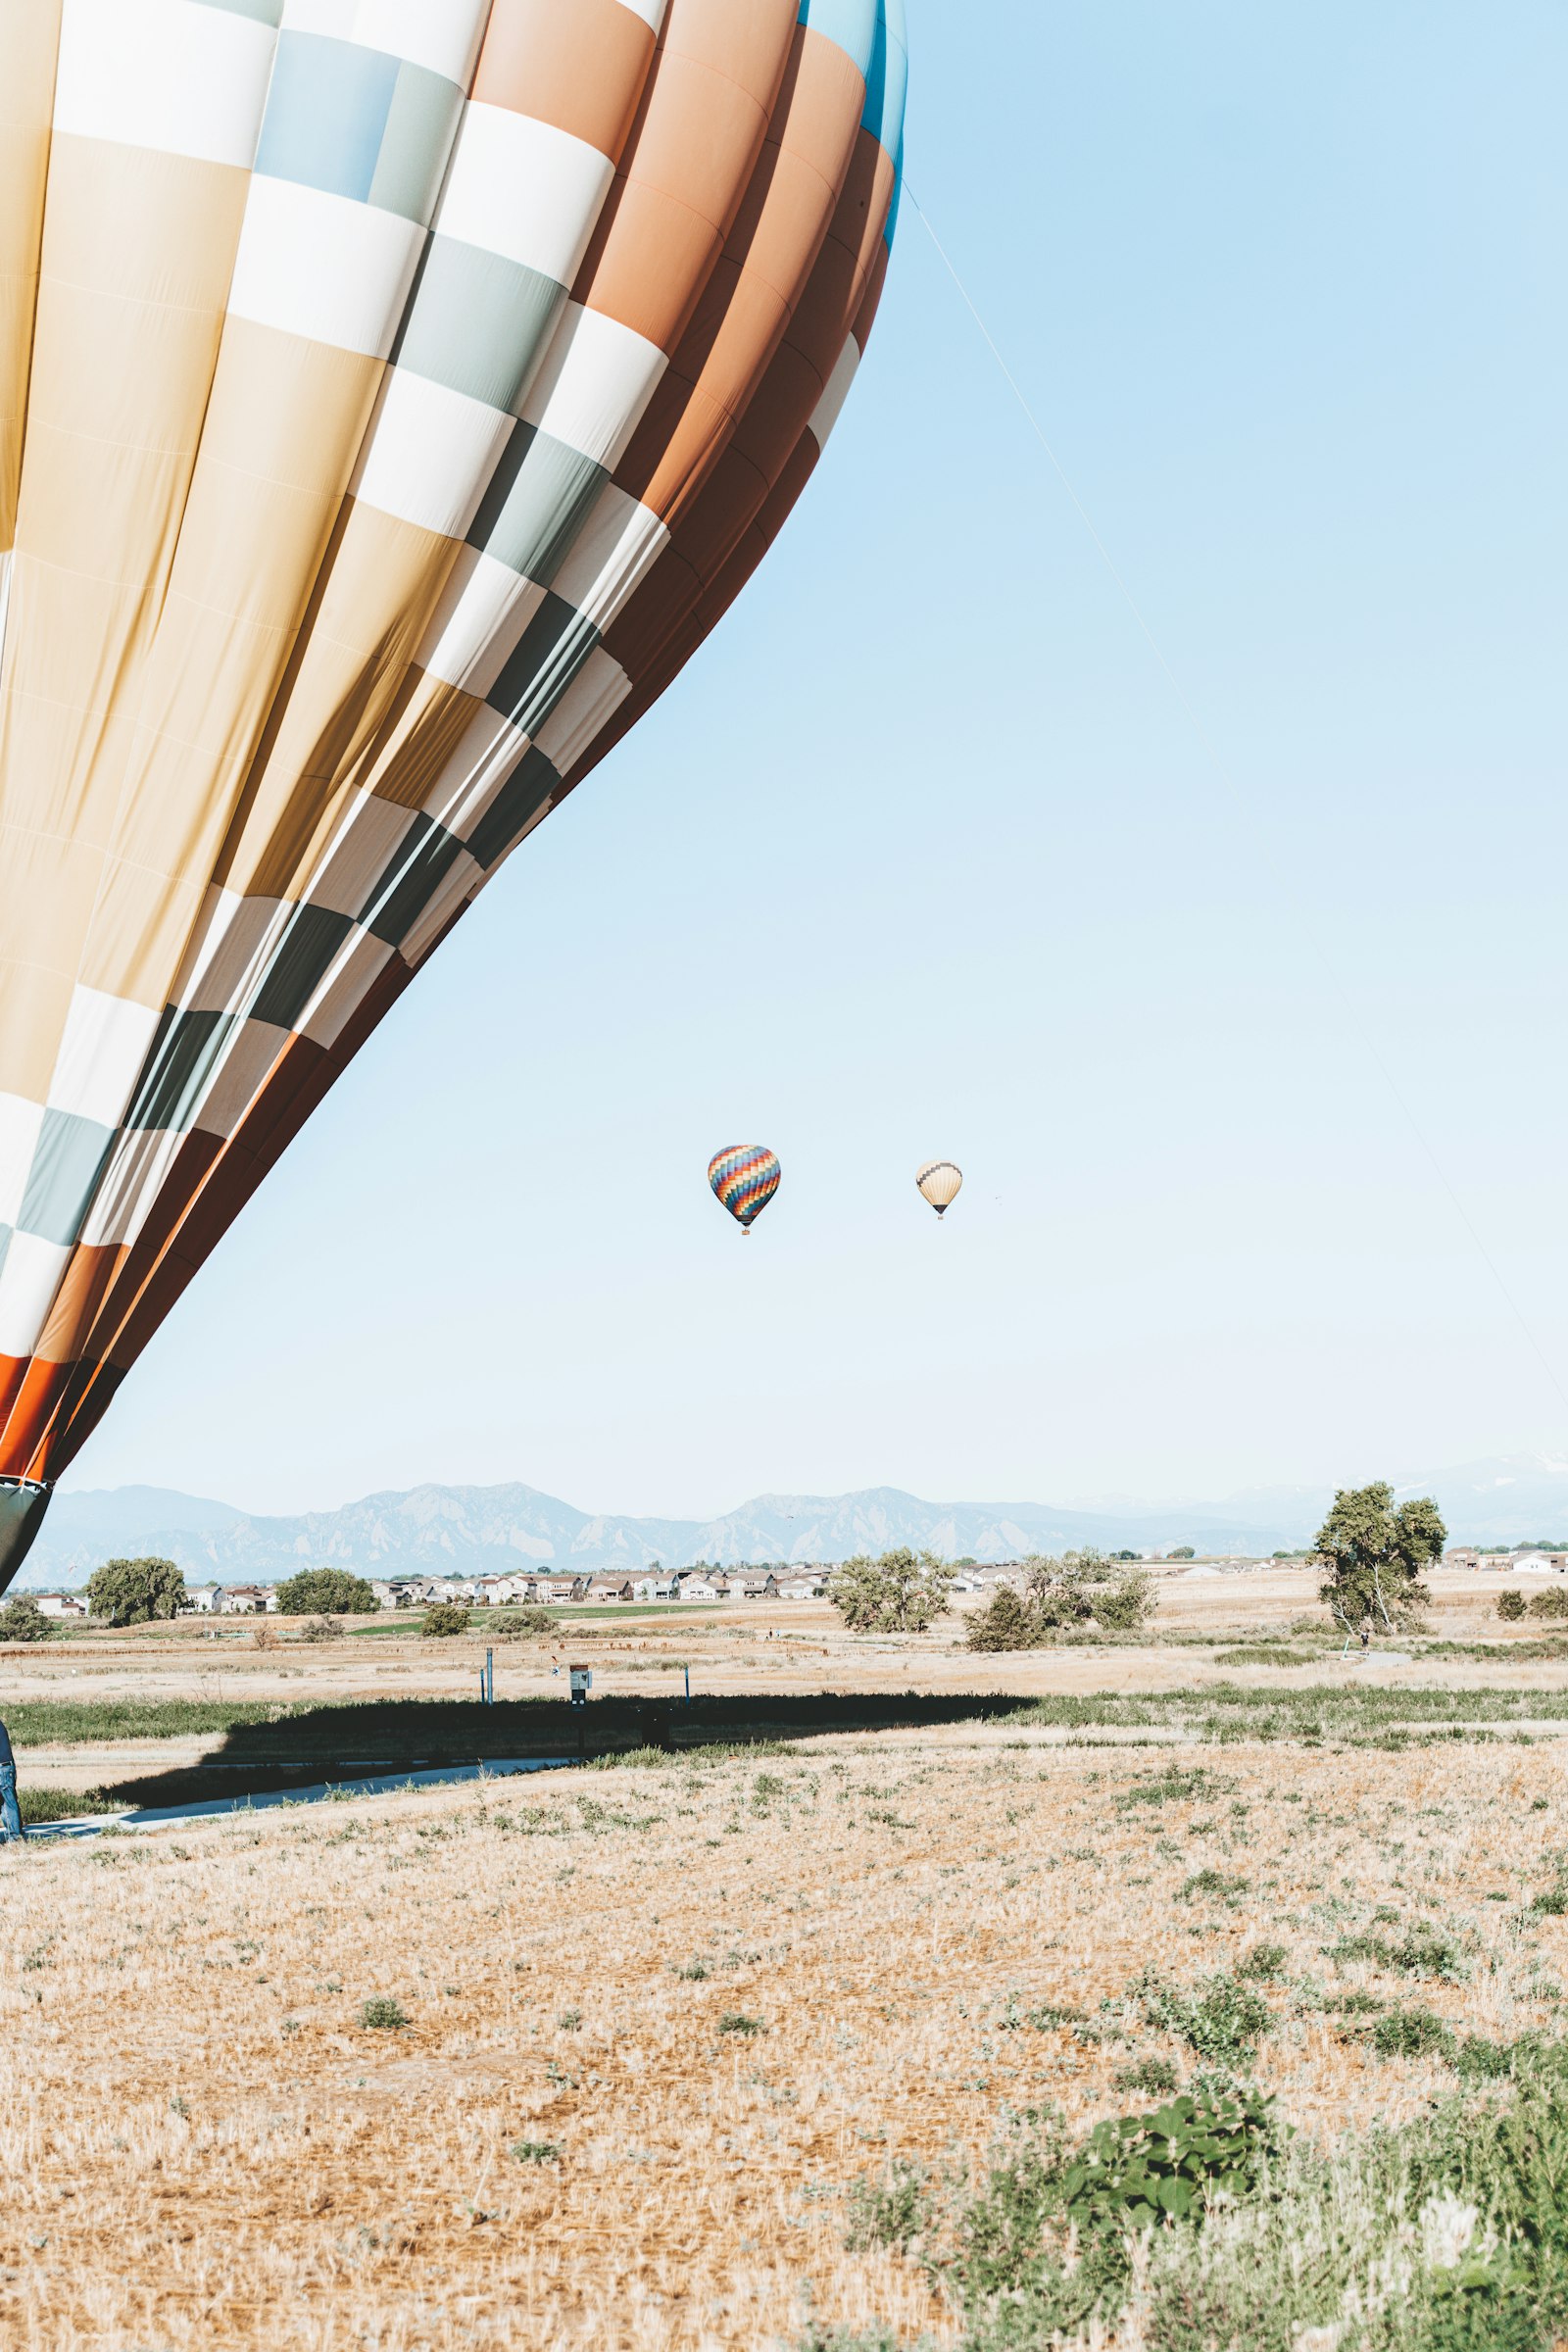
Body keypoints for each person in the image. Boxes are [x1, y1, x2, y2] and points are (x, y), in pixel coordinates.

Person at [0, 1716, 21, 1843]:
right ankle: (14, 1836)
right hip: (6, 1767)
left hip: (2, 1767)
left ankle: (15, 1837)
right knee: (8, 1803)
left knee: (7, 1803)